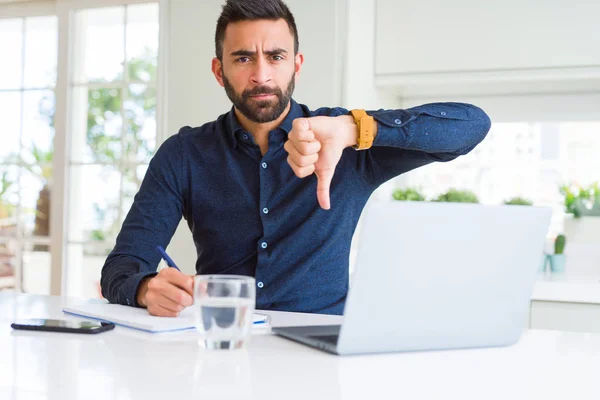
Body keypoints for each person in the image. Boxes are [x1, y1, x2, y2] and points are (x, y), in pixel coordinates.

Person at [101, 0, 491, 317]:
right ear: (219, 71)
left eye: (275, 57)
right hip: (225, 345)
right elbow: (121, 267)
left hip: (321, 353)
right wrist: (146, 288)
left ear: (296, 66)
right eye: (242, 59)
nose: (261, 74)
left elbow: (470, 126)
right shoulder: (184, 154)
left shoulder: (348, 142)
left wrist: (353, 130)